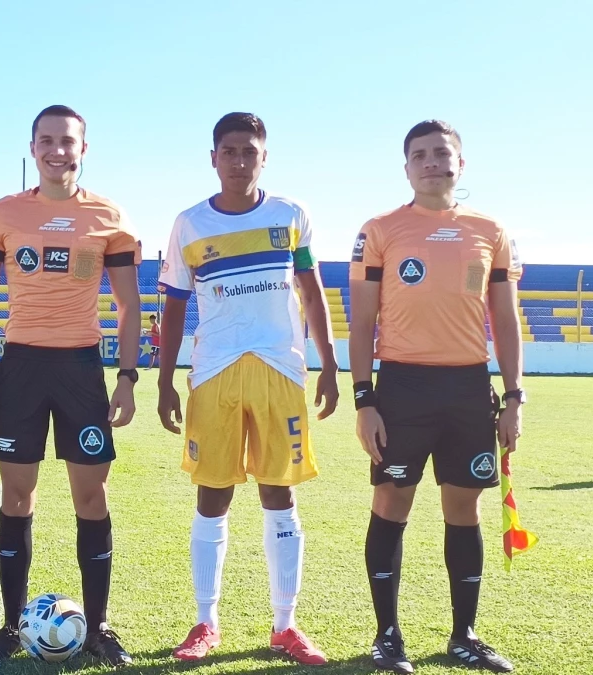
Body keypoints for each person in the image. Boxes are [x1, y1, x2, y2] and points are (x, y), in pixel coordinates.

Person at [157, 112, 338, 666]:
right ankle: (205, 621)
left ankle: (285, 626)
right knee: (212, 494)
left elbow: (311, 290)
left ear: (265, 157)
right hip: (213, 372)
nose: (239, 160)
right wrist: (163, 380)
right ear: (213, 158)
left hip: (280, 369)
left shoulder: (291, 216)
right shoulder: (189, 225)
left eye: (249, 151)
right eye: (229, 151)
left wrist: (329, 363)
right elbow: (173, 305)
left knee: (279, 494)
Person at [0, 104, 141, 667]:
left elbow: (130, 303)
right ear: (32, 147)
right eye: (47, 140)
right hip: (20, 367)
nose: (57, 150)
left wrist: (128, 377)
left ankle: (99, 627)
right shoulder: (3, 213)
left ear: (83, 149)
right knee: (18, 495)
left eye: (67, 141)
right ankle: (12, 627)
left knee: (91, 496)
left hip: (82, 370)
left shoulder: (108, 215)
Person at [349, 120, 522, 674]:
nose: (431, 162)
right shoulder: (381, 230)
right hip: (402, 387)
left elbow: (505, 318)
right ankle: (387, 636)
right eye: (419, 155)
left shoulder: (489, 230)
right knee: (392, 501)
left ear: (460, 163)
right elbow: (362, 322)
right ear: (406, 168)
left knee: (464, 506)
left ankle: (464, 636)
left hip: (469, 388)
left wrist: (514, 396)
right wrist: (364, 399)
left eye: (441, 153)